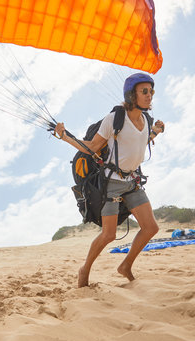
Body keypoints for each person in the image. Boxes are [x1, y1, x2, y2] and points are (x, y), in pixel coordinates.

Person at [54, 73, 165, 288]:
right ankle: (85, 269)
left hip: (132, 181)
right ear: (132, 94)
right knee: (108, 235)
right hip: (112, 185)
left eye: (151, 91)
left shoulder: (146, 120)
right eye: (144, 91)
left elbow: (140, 142)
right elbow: (92, 147)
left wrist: (156, 132)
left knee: (151, 228)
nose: (149, 95)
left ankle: (125, 266)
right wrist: (66, 136)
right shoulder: (115, 119)